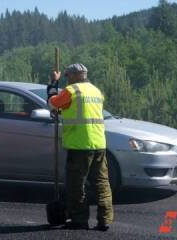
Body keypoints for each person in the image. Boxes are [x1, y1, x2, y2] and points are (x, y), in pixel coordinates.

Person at [47, 63, 113, 231]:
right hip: (99, 143)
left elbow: (53, 103)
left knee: (77, 185)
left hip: (80, 145)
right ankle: (105, 220)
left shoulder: (71, 91)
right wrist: (62, 112)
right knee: (102, 184)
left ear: (76, 76)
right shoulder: (96, 91)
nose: (67, 79)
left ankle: (79, 220)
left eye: (68, 75)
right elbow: (81, 111)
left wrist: (53, 83)